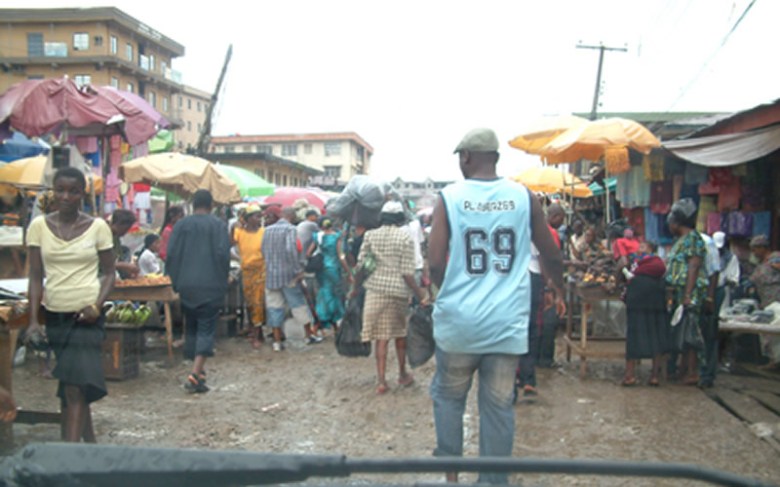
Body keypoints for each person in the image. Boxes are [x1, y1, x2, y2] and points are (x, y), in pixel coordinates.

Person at [428, 128, 564, 485]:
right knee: (499, 406)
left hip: (458, 324)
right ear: (497, 158)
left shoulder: (449, 198)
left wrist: (446, 294)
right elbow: (551, 253)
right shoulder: (523, 196)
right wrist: (559, 289)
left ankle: (451, 478)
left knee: (448, 398)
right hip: (505, 326)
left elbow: (435, 263)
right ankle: (492, 482)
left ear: (466, 157)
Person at [26, 167, 116, 442]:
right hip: (56, 316)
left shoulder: (98, 227)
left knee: (75, 387)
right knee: (71, 384)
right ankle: (90, 446)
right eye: (60, 190)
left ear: (82, 194)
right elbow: (35, 276)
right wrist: (33, 321)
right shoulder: (38, 227)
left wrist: (97, 305)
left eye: (73, 191)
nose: (66, 197)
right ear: (52, 192)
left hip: (86, 317)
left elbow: (110, 273)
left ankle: (70, 455)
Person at [356, 201, 428, 395]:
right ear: (399, 218)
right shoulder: (404, 237)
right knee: (400, 333)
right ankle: (402, 374)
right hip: (398, 291)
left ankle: (381, 381)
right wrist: (420, 293)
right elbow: (407, 272)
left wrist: (355, 289)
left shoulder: (370, 235)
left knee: (381, 337)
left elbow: (361, 265)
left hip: (375, 290)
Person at [166, 190, 230, 393]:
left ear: (193, 205)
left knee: (192, 325)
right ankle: (194, 374)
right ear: (211, 205)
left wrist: (174, 281)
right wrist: (223, 279)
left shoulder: (181, 225)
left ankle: (199, 372)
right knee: (206, 327)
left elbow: (171, 254)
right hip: (210, 284)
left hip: (186, 284)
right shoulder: (218, 225)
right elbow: (223, 255)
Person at [517, 204, 564, 399]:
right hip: (532, 279)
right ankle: (528, 380)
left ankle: (513, 380)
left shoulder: (507, 227)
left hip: (511, 282)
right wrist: (550, 287)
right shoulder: (535, 230)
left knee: (513, 329)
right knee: (532, 330)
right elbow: (544, 259)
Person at [262, 207, 321, 351]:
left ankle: (277, 341)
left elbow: (263, 250)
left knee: (274, 307)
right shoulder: (290, 229)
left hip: (271, 276)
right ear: (292, 217)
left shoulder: (267, 230)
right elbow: (290, 249)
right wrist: (297, 270)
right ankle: (308, 335)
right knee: (298, 305)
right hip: (288, 276)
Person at [666, 198, 709, 386]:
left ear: (676, 222)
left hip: (689, 293)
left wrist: (687, 296)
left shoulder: (693, 239)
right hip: (679, 292)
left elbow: (693, 266)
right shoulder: (681, 240)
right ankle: (682, 369)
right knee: (681, 331)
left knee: (690, 332)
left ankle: (692, 372)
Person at [623, 241, 669, 386]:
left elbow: (627, 274)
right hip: (656, 301)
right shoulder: (658, 263)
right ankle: (654, 376)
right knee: (656, 335)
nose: (639, 249)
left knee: (633, 335)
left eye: (642, 246)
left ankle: (630, 376)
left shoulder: (638, 263)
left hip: (637, 300)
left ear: (650, 249)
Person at [232, 204, 266, 349]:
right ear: (248, 218)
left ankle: (257, 334)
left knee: (258, 302)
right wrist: (234, 225)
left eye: (260, 216)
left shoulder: (263, 232)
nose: (259, 219)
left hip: (261, 271)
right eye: (256, 216)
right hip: (246, 272)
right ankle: (255, 330)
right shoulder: (239, 232)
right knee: (249, 302)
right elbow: (230, 243)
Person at [308, 218, 351, 331]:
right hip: (333, 268)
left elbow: (308, 253)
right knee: (335, 294)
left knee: (324, 292)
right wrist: (349, 272)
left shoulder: (318, 236)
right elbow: (341, 256)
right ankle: (333, 320)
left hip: (321, 268)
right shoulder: (337, 237)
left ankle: (321, 320)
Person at [749, 235, 780, 310]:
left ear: (762, 248)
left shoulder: (775, 257)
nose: (754, 253)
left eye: (755, 250)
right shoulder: (759, 265)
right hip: (766, 305)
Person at [109, 209, 139, 279]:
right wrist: (124, 265)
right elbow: (102, 264)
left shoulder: (116, 239)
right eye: (126, 229)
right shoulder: (104, 236)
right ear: (119, 224)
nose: (125, 232)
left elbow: (119, 258)